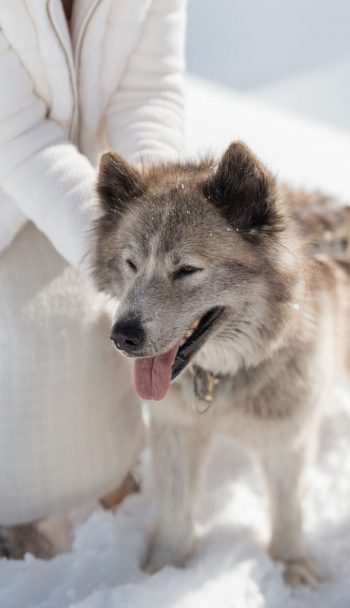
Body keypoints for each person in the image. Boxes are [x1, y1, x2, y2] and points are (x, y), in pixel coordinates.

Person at [0, 0, 185, 557]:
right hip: (16, 173)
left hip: (75, 183)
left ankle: (111, 471)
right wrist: (119, 254)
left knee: (101, 330)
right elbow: (18, 134)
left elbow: (149, 91)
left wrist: (158, 220)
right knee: (37, 342)